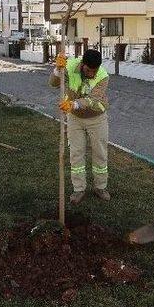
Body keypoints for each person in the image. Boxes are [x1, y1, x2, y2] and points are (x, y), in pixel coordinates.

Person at [50, 49, 110, 204]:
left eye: (94, 71)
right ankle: (79, 189)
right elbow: (53, 84)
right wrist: (57, 69)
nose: (91, 74)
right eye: (89, 70)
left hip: (97, 118)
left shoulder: (102, 76)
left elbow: (92, 100)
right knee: (76, 153)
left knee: (100, 153)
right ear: (83, 65)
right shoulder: (70, 66)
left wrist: (73, 104)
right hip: (74, 119)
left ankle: (100, 187)